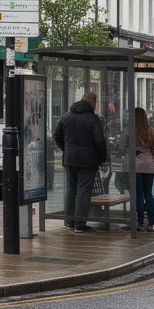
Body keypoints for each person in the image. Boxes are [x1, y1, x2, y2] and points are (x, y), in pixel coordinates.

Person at [52, 91, 107, 232]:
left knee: (72, 189)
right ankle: (80, 224)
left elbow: (56, 135)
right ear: (93, 102)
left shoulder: (67, 115)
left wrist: (67, 149)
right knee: (84, 190)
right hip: (88, 160)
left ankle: (70, 221)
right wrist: (103, 159)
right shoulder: (93, 119)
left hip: (70, 158)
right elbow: (100, 141)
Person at [133, 107, 154, 232]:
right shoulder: (152, 131)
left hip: (135, 165)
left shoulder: (130, 130)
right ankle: (151, 224)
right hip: (148, 165)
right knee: (148, 193)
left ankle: (140, 223)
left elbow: (121, 148)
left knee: (138, 195)